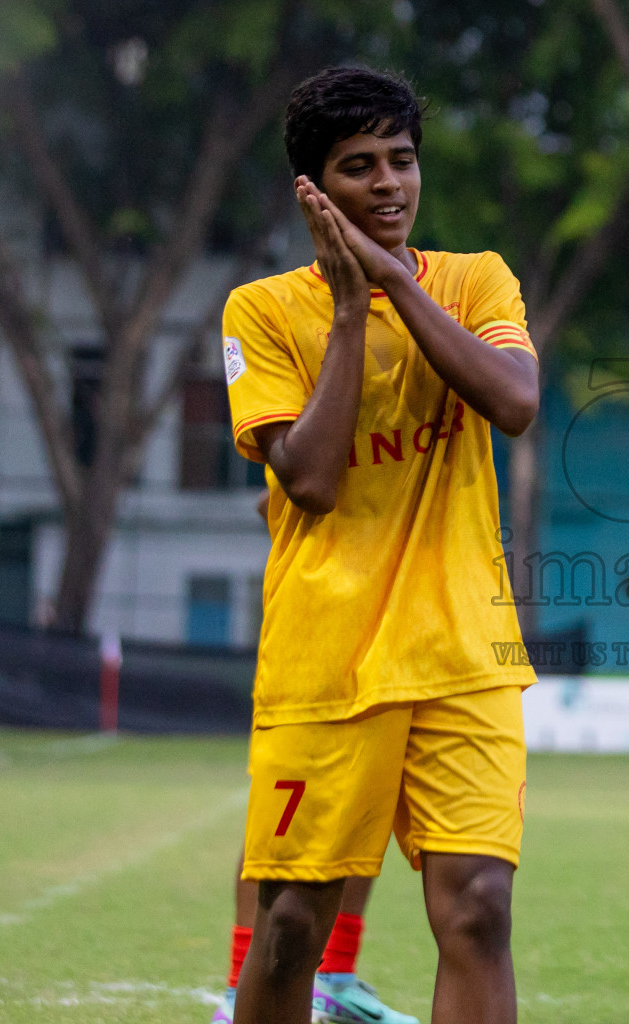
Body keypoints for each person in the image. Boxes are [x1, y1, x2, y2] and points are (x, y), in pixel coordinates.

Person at [224, 67, 539, 1024]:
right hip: (327, 661)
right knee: (291, 926)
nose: (389, 184)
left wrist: (395, 281)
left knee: (479, 913)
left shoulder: (479, 278)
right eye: (358, 167)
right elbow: (311, 480)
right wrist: (356, 307)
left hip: (466, 659)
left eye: (401, 160)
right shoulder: (263, 310)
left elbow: (515, 401)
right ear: (313, 192)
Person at [209, 493, 416, 1024]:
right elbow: (269, 502)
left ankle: (335, 978)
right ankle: (239, 989)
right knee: (278, 825)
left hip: (391, 635)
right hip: (312, 636)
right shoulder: (316, 420)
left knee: (370, 807)